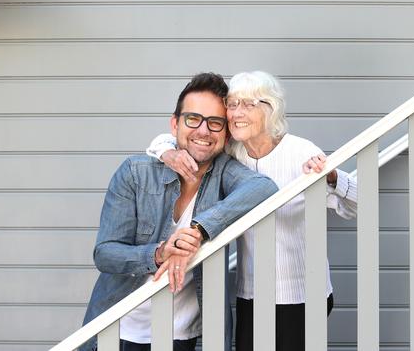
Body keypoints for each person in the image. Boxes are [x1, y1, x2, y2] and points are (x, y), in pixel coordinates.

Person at [146, 71, 357, 351]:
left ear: (270, 109)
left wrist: (331, 177)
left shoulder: (300, 151)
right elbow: (171, 137)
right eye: (232, 105)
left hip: (301, 294)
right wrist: (167, 153)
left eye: (248, 104)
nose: (236, 113)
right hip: (252, 294)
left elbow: (354, 204)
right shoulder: (232, 153)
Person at [80, 72, 278, 351]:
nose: (203, 131)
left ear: (226, 132)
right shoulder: (135, 173)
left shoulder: (224, 173)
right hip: (118, 327)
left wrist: (197, 231)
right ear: (175, 124)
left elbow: (264, 188)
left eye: (215, 123)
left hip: (178, 336)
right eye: (193, 119)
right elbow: (105, 254)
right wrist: (159, 253)